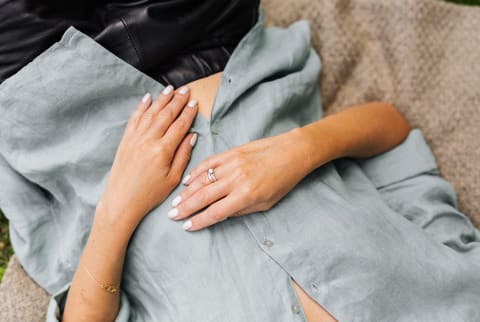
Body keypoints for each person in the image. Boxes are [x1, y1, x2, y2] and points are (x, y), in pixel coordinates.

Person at [0, 3, 479, 322]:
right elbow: (390, 130)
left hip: (58, 104)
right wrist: (294, 153)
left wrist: (119, 204)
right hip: (216, 46)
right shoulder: (457, 303)